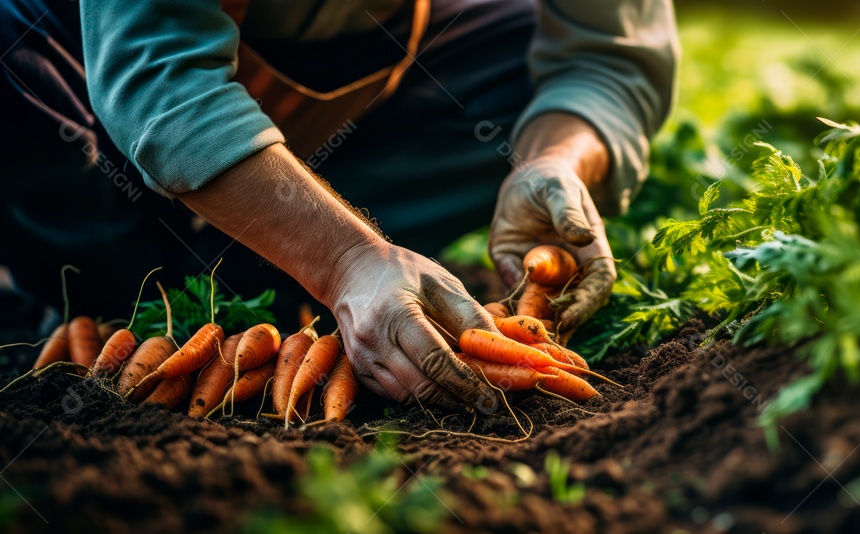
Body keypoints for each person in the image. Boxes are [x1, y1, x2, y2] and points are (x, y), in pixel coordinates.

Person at [0, 0, 678, 407]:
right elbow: (160, 79)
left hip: (363, 72)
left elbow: (612, 57)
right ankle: (123, 290)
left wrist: (553, 158)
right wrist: (346, 257)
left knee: (512, 54)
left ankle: (262, 270)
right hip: (83, 69)